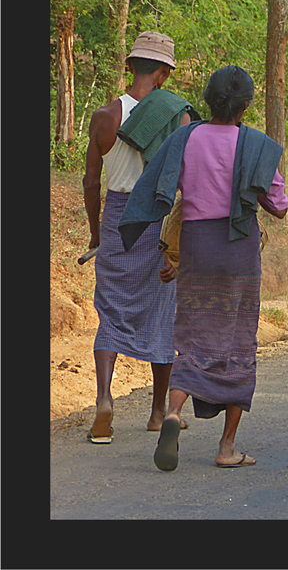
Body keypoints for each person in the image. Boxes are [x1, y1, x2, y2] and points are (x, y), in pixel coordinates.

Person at [119, 66, 288, 471]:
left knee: (193, 337)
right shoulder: (257, 145)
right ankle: (226, 447)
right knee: (237, 340)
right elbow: (278, 205)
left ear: (207, 100)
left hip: (196, 245)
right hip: (238, 252)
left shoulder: (186, 136)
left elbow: (158, 185)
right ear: (246, 105)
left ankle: (174, 414)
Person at [82, 31, 195, 444]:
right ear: (164, 73)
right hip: (158, 220)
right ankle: (157, 411)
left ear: (130, 67)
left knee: (111, 309)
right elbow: (185, 181)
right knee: (162, 312)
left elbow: (91, 181)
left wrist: (97, 233)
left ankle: (103, 400)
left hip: (117, 218)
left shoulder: (104, 117)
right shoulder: (178, 116)